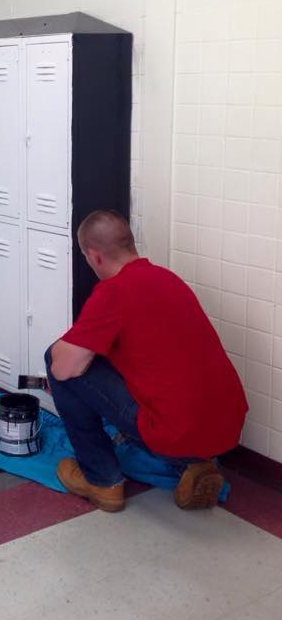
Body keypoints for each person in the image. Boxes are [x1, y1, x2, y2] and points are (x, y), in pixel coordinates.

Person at [47, 209, 248, 513]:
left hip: (175, 431)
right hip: (228, 426)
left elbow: (63, 367)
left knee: (57, 360)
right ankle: (196, 464)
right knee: (97, 361)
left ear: (94, 255)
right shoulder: (167, 279)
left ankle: (102, 480)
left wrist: (63, 369)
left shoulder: (113, 292)